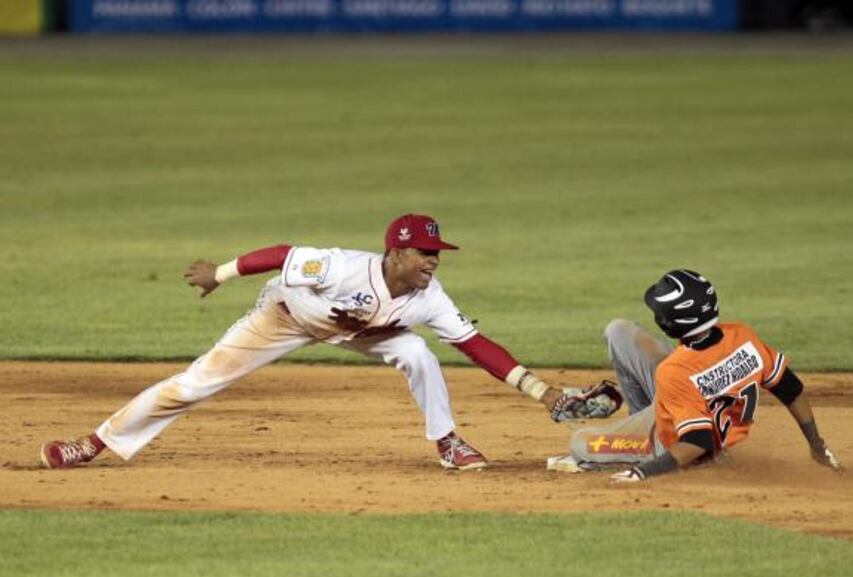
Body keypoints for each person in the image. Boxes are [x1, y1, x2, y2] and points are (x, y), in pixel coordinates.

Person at [40, 213, 572, 471]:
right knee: (196, 384)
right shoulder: (342, 266)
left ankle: (449, 443)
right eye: (425, 253)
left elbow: (477, 345)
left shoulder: (430, 295)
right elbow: (281, 253)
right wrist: (220, 275)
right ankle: (94, 443)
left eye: (437, 254)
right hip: (285, 317)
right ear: (395, 254)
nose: (433, 261)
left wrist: (540, 391)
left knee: (416, 351)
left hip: (357, 332)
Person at [558, 268, 841, 483]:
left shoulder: (675, 370)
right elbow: (791, 389)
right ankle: (639, 421)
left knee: (580, 443)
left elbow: (698, 442)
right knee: (618, 330)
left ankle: (643, 445)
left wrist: (643, 473)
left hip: (681, 446)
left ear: (669, 323)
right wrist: (817, 446)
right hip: (685, 400)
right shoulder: (743, 337)